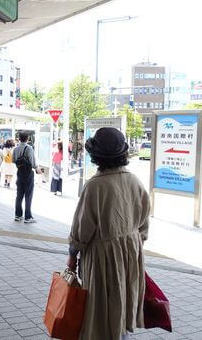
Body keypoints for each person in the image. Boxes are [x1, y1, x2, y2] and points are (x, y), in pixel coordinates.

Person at [66, 127, 150, 340]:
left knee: (100, 309)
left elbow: (82, 230)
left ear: (96, 156)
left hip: (102, 258)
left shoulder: (95, 186)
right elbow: (143, 224)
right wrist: (130, 245)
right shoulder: (135, 181)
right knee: (123, 301)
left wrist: (71, 257)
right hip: (131, 254)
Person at [12, 132, 42, 223]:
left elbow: (13, 160)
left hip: (19, 173)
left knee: (19, 194)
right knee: (28, 195)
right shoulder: (29, 149)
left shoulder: (15, 149)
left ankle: (18, 215)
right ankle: (28, 217)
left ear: (19, 138)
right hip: (28, 174)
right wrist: (38, 169)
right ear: (28, 138)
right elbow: (33, 163)